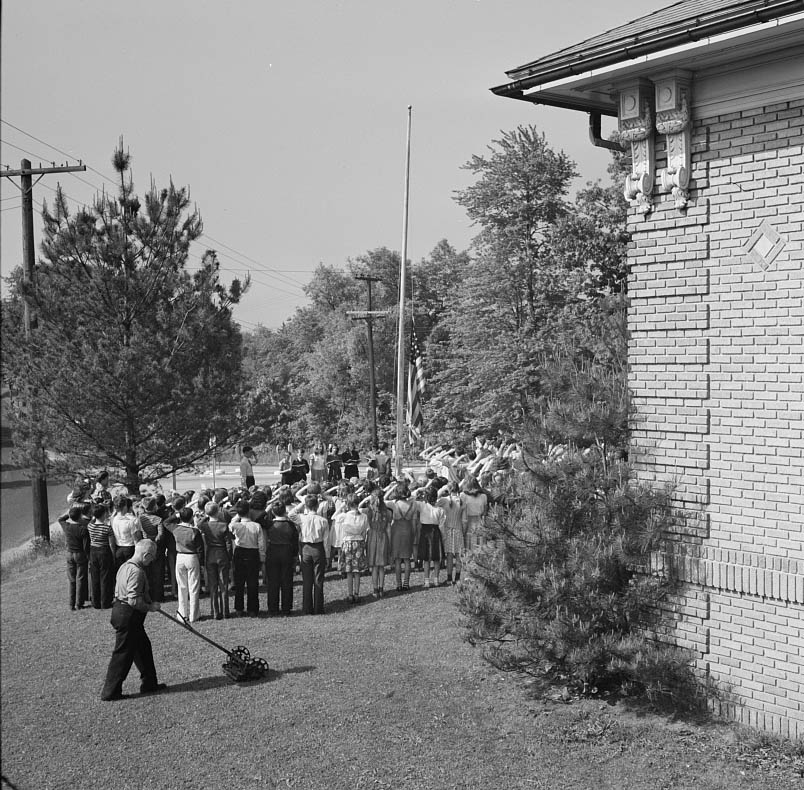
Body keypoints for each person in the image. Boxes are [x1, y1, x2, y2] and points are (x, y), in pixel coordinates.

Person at [100, 539, 166, 701]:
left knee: (143, 648)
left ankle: (149, 682)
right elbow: (134, 600)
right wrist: (150, 607)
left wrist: (149, 601)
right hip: (128, 616)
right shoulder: (136, 572)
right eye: (152, 558)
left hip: (122, 613)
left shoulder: (125, 566)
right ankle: (110, 692)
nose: (152, 561)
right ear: (146, 555)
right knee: (122, 654)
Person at [229, 499, 265, 616]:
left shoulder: (236, 525)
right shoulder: (256, 526)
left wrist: (237, 516)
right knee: (253, 582)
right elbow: (261, 544)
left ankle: (239, 608)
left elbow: (231, 524)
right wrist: (262, 558)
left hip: (240, 552)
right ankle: (253, 609)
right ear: (249, 511)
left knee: (239, 582)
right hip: (253, 553)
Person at [294, 494, 329, 615]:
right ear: (317, 506)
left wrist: (303, 503)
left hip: (305, 548)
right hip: (318, 547)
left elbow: (290, 514)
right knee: (318, 579)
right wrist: (328, 555)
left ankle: (307, 608)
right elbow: (326, 539)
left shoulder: (301, 518)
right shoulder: (323, 520)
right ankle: (318, 608)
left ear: (307, 506)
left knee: (307, 580)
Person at [198, 501, 233, 619]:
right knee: (224, 584)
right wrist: (229, 557)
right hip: (222, 554)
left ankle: (215, 612)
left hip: (210, 555)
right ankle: (225, 611)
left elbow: (198, 524)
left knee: (213, 586)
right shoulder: (224, 525)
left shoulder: (205, 526)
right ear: (218, 512)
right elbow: (229, 544)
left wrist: (205, 516)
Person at [265, 501, 299, 616]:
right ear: (285, 511)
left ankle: (273, 607)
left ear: (273, 512)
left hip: (273, 551)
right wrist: (295, 556)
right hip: (287, 552)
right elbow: (295, 542)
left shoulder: (269, 524)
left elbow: (259, 518)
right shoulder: (290, 525)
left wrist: (268, 508)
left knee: (273, 581)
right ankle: (286, 607)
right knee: (287, 581)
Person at [333, 493, 368, 603]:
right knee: (357, 570)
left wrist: (341, 507)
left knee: (349, 571)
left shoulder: (344, 516)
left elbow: (333, 517)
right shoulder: (363, 516)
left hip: (348, 542)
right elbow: (364, 531)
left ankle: (350, 594)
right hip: (359, 542)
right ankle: (357, 593)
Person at [173, 507, 204, 622]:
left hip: (180, 556)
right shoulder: (194, 531)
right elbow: (200, 549)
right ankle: (194, 615)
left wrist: (176, 515)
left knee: (182, 587)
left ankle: (182, 614)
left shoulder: (175, 529)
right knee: (194, 587)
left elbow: (166, 522)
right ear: (191, 517)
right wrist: (201, 563)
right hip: (192, 556)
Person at [386, 482, 418, 591]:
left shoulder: (393, 504)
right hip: (408, 530)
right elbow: (414, 523)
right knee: (407, 559)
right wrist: (413, 535)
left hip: (397, 531)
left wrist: (391, 489)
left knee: (398, 560)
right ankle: (406, 583)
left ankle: (398, 584)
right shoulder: (413, 505)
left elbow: (383, 499)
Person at [59, 504, 91, 610]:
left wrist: (69, 514)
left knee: (72, 579)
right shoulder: (83, 529)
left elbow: (60, 519)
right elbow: (86, 546)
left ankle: (71, 604)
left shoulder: (67, 526)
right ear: (80, 516)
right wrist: (88, 557)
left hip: (69, 553)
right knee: (80, 579)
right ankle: (79, 603)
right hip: (80, 554)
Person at [362, 485, 391, 597]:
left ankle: (375, 590)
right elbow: (388, 529)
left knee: (374, 566)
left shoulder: (368, 511)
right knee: (381, 567)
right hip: (383, 537)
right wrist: (390, 542)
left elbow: (358, 507)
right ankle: (381, 588)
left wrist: (365, 500)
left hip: (372, 538)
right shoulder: (387, 512)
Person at [135, 497, 166, 603]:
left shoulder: (140, 518)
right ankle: (158, 595)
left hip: (144, 545)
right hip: (156, 547)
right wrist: (154, 542)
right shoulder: (158, 519)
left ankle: (148, 594)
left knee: (147, 572)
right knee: (158, 572)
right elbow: (160, 534)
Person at [416, 486, 446, 588]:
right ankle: (436, 580)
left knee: (426, 558)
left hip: (425, 532)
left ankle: (427, 581)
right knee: (436, 558)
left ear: (426, 497)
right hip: (436, 532)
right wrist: (443, 537)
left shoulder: (421, 506)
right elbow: (442, 525)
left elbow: (411, 498)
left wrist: (419, 490)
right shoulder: (440, 509)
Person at [88, 502, 116, 609]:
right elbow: (111, 544)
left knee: (95, 576)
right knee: (105, 577)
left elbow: (92, 520)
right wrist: (113, 555)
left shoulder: (90, 526)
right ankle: (105, 602)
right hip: (104, 551)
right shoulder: (107, 528)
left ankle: (95, 602)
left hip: (93, 551)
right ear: (104, 514)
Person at [437, 482, 466, 585]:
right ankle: (457, 577)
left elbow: (434, 499)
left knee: (449, 555)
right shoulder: (462, 501)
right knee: (459, 555)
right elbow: (464, 520)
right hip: (458, 530)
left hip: (448, 530)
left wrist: (442, 489)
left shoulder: (444, 500)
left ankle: (449, 578)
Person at [111, 495, 140, 571]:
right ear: (125, 507)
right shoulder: (131, 521)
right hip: (130, 548)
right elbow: (135, 539)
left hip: (118, 547)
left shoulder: (113, 519)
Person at [461, 475, 488, 553]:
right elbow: (485, 511)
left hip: (468, 521)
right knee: (480, 546)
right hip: (480, 521)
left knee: (469, 546)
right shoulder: (483, 496)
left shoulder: (463, 495)